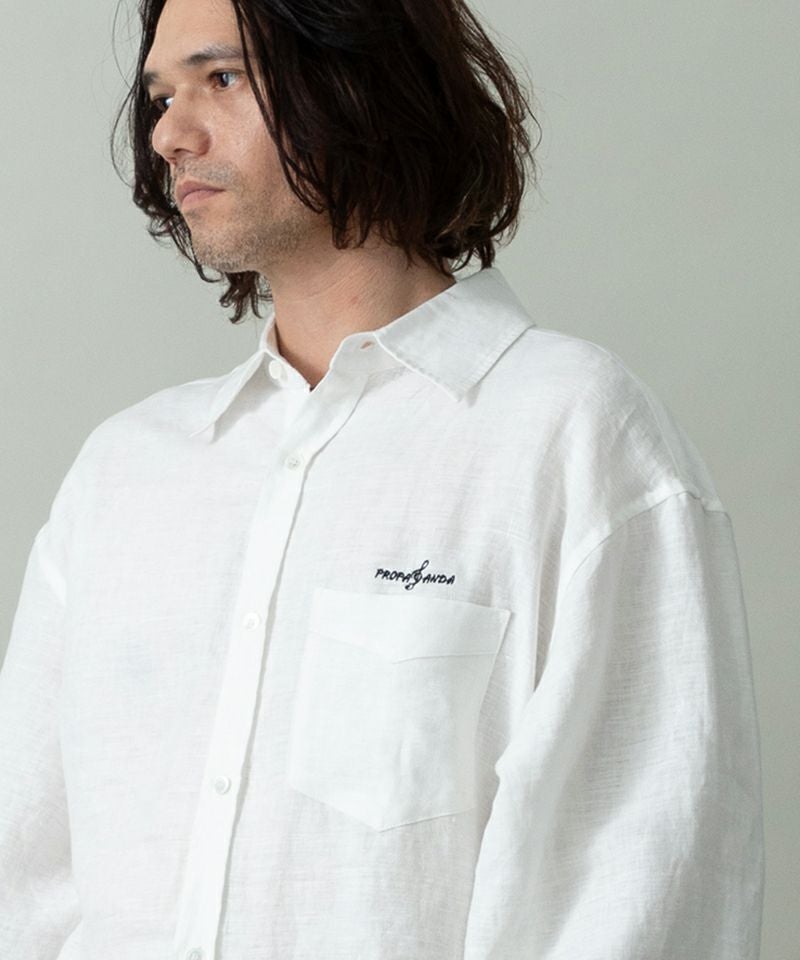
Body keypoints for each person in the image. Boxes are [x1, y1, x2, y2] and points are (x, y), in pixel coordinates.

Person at [0, 0, 764, 956]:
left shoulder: (574, 438)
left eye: (222, 79)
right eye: (160, 97)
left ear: (360, 81)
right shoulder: (124, 477)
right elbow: (26, 881)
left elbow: (639, 894)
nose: (168, 135)